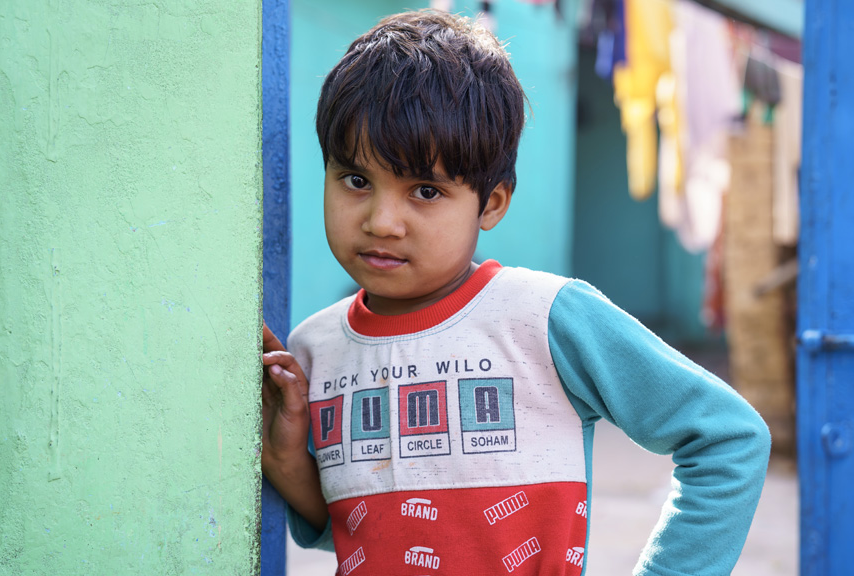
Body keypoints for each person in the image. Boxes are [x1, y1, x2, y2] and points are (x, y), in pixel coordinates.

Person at [261, 9, 770, 576]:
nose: (381, 221)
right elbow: (355, 528)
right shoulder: (313, 351)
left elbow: (728, 438)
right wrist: (287, 460)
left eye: (425, 191)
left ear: (493, 203)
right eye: (356, 180)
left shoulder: (545, 319)